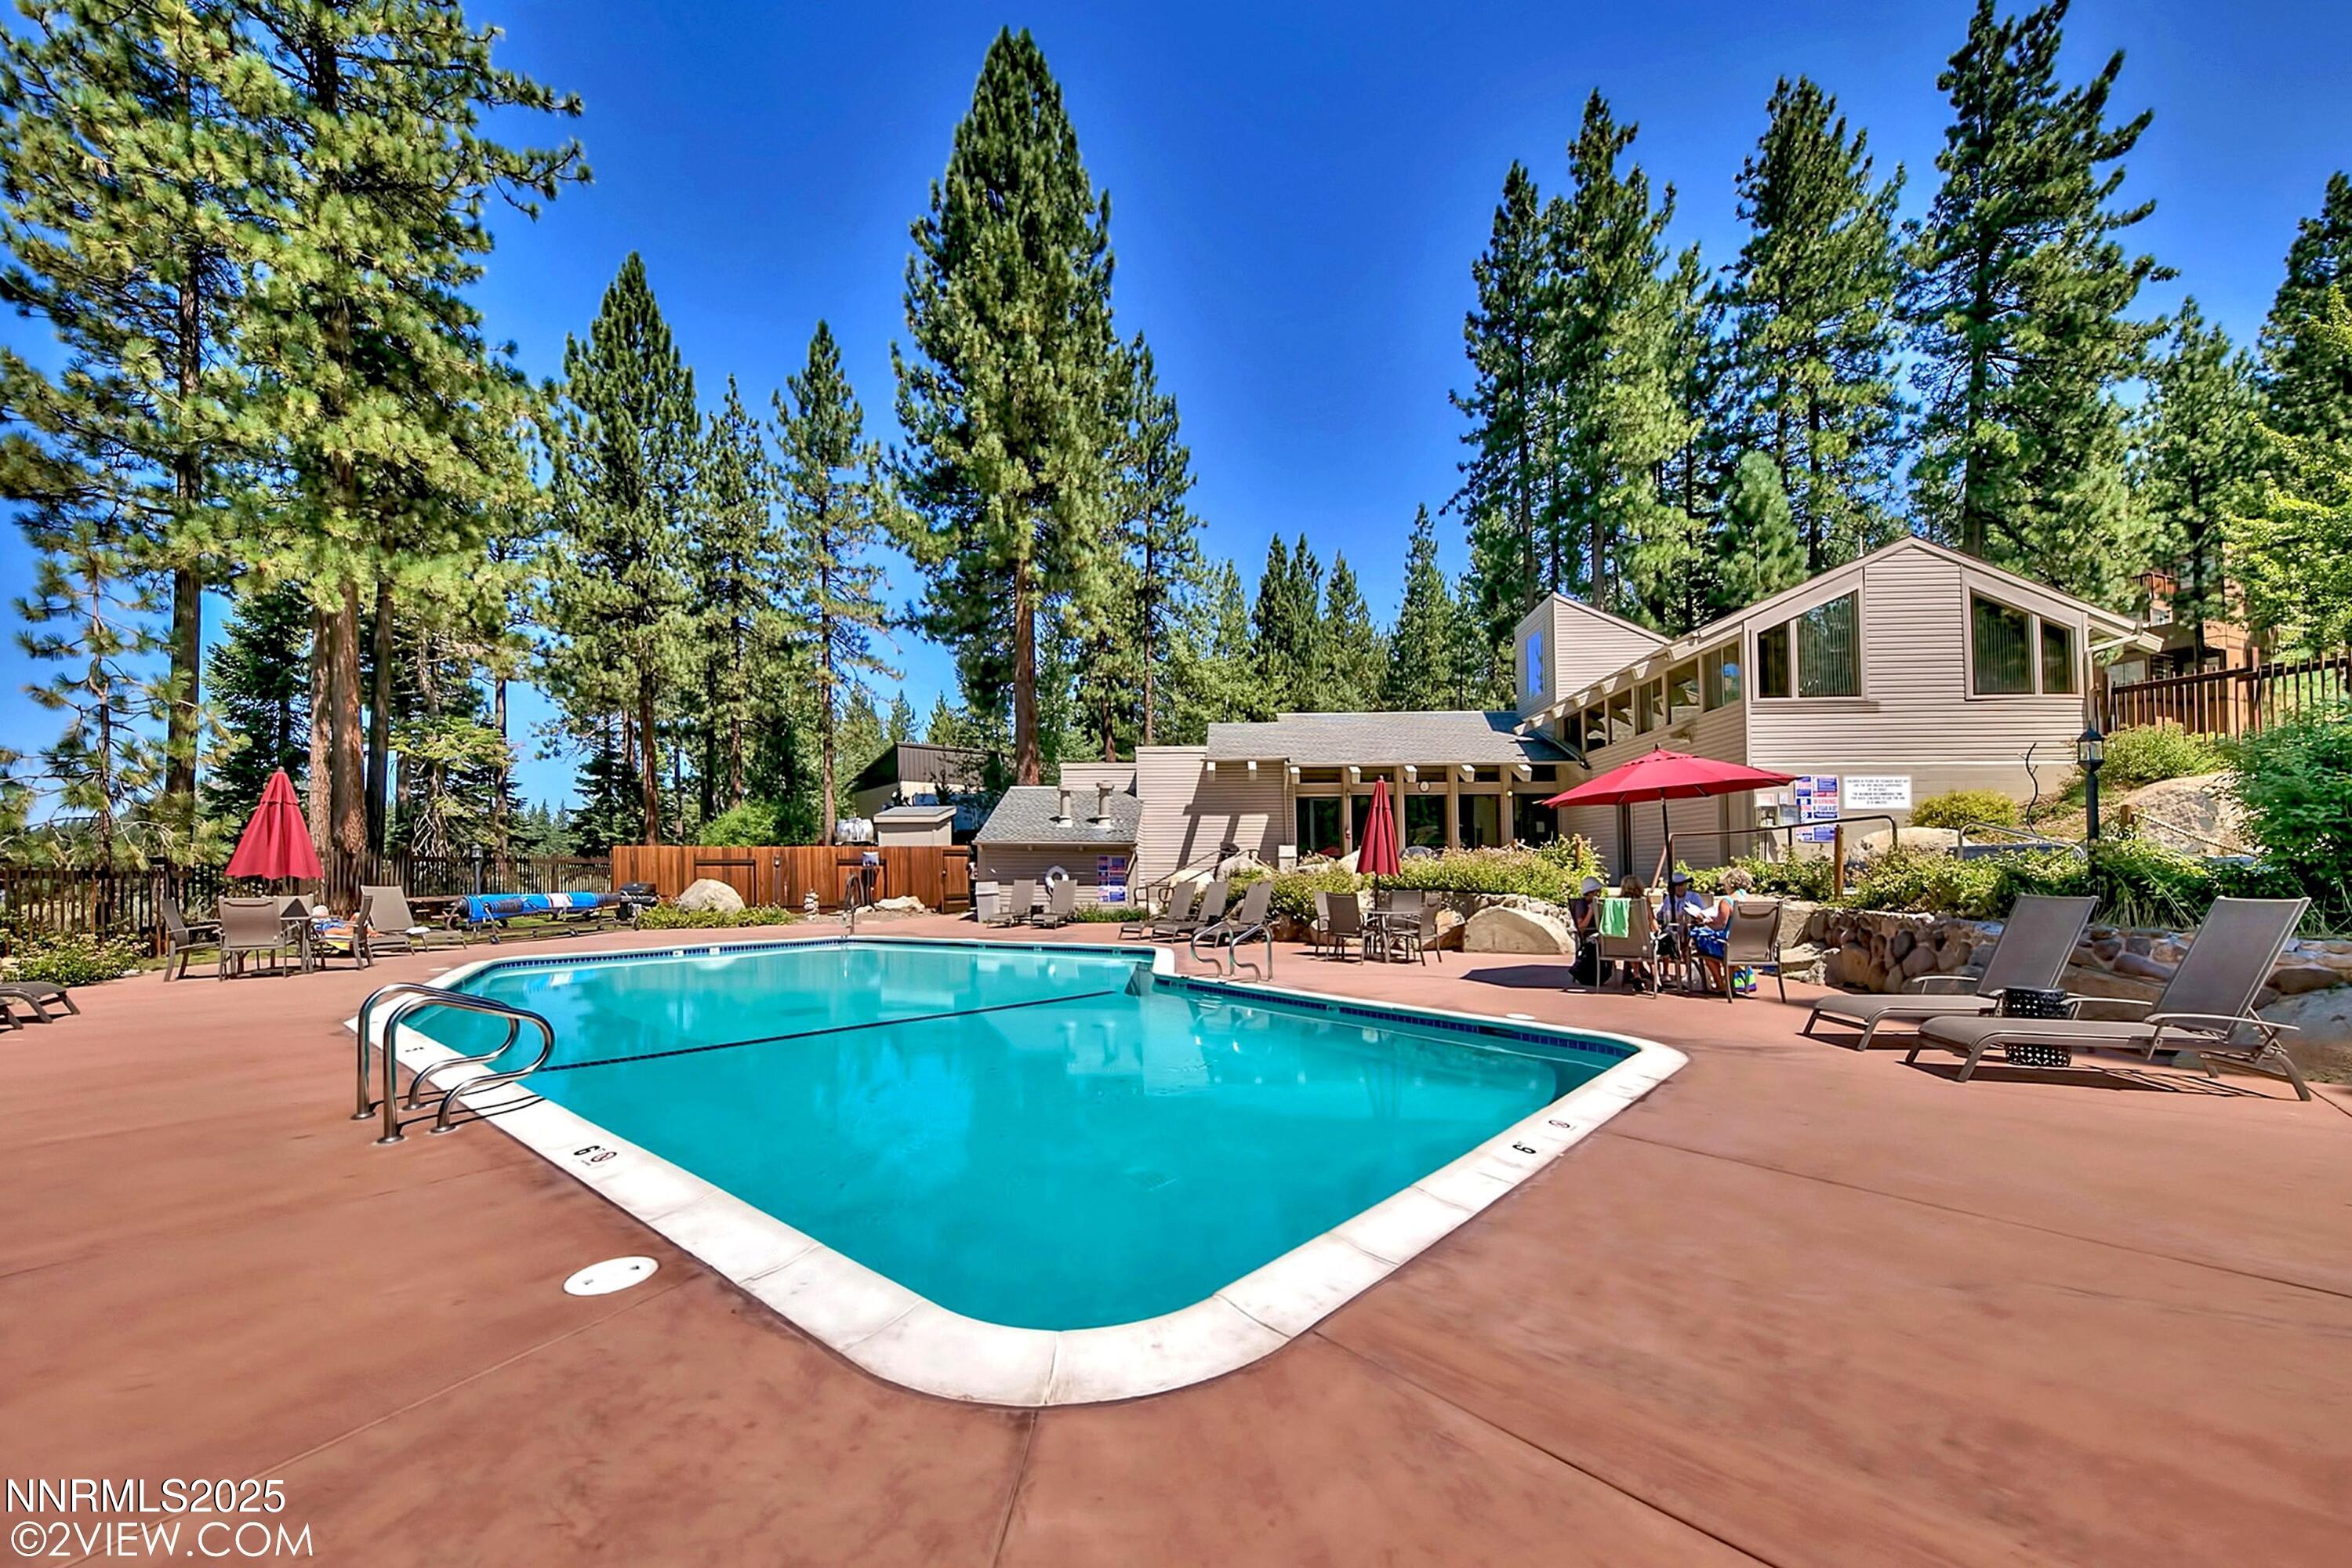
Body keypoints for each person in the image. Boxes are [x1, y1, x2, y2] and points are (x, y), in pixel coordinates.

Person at [1690, 867, 1757, 992]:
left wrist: (1705, 921)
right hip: (1752, 947)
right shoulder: (1755, 901)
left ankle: (1720, 984)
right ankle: (1729, 981)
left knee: (1702, 943)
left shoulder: (1727, 901)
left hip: (1730, 947)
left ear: (1730, 883)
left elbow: (1720, 925)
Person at [1566, 874, 1606, 987]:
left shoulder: (1599, 903)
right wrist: (1591, 911)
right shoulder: (1581, 905)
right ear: (1590, 892)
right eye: (1597, 892)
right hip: (1590, 936)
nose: (1599, 894)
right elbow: (1582, 927)